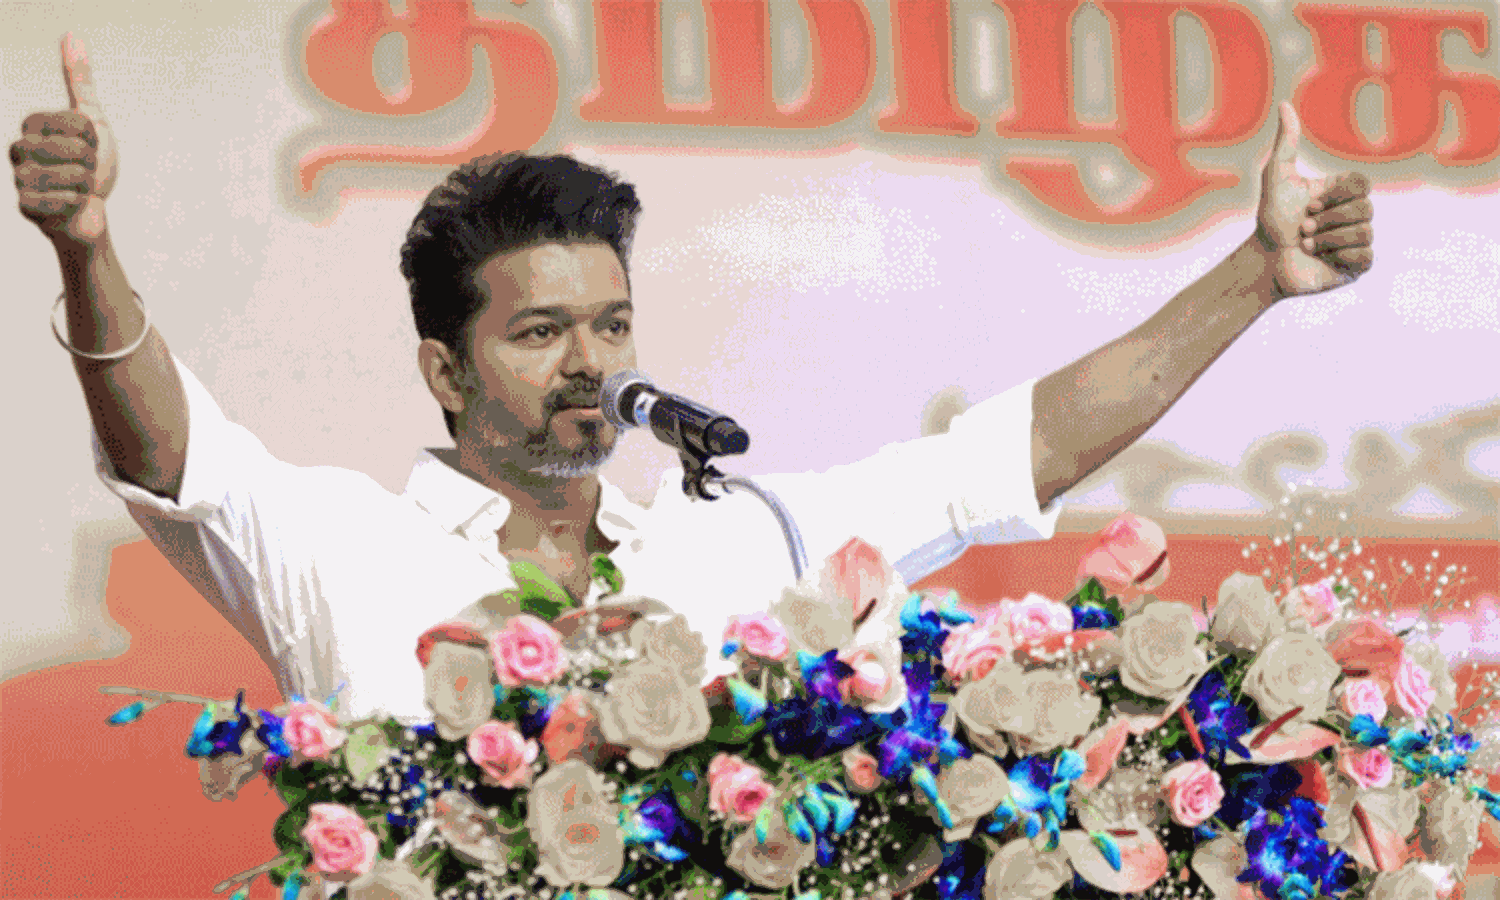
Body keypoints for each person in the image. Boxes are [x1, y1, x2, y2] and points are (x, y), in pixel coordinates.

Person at [12, 36, 1375, 721]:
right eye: (539, 334)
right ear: (445, 368)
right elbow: (169, 452)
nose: (591, 363)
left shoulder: (747, 537)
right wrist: (86, 248)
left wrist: (1255, 276)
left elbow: (1017, 455)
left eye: (611, 325)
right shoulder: (336, 542)